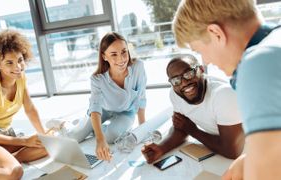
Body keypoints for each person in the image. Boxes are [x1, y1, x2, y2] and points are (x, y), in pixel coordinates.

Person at [173, 0, 281, 179]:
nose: (205, 61)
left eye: (200, 50)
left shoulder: (257, 64)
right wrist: (250, 159)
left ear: (216, 33)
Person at [141, 54, 244, 164]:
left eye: (189, 74)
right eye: (176, 80)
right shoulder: (176, 93)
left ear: (201, 70)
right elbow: (181, 127)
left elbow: (233, 151)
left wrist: (193, 130)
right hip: (220, 153)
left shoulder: (223, 94)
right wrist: (162, 148)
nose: (184, 83)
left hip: (250, 152)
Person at [69, 32, 147, 161]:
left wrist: (143, 128)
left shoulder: (138, 67)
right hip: (103, 110)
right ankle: (75, 124)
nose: (121, 59)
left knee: (111, 136)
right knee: (74, 137)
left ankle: (99, 128)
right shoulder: (97, 79)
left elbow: (141, 98)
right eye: (114, 54)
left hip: (126, 112)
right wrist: (99, 140)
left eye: (124, 52)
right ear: (104, 56)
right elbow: (95, 107)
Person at [0, 30, 47, 179]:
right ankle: (2, 164)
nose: (18, 67)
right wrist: (24, 141)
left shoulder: (20, 78)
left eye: (20, 60)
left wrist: (44, 134)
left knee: (48, 146)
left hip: (4, 136)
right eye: (9, 62)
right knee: (14, 171)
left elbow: (29, 108)